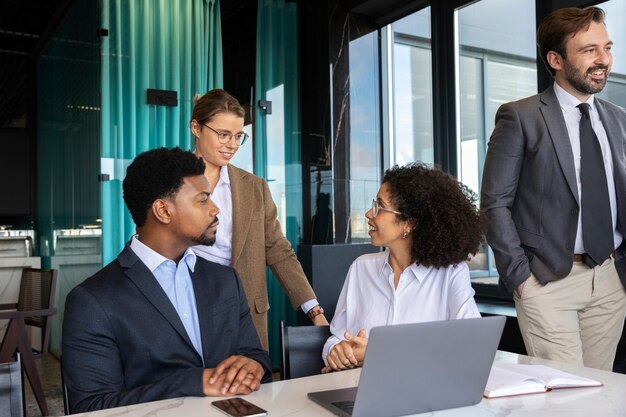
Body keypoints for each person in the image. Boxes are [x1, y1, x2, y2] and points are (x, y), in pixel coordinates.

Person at [62, 147, 272, 413]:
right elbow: (92, 406)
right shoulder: (93, 301)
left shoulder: (225, 280)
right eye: (203, 200)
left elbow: (255, 355)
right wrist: (192, 382)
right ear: (163, 210)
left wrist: (254, 365)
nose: (215, 209)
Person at [481, 6, 626, 371]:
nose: (603, 60)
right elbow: (495, 204)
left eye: (607, 48)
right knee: (565, 398)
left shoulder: (619, 119)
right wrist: (520, 279)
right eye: (589, 50)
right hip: (547, 282)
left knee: (600, 392)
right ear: (555, 59)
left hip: (609, 280)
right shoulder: (520, 116)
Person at [190, 89, 328, 349]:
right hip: (191, 305)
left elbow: (277, 249)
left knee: (254, 385)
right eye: (223, 134)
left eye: (238, 136)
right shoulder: (173, 181)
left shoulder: (254, 187)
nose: (232, 145)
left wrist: (314, 310)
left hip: (247, 313)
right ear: (196, 128)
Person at [323, 163, 485, 372]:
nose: (368, 214)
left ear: (409, 223)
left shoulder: (451, 273)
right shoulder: (360, 269)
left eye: (379, 207)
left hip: (425, 397)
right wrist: (337, 351)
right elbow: (335, 337)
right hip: (360, 392)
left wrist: (379, 353)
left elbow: (471, 346)